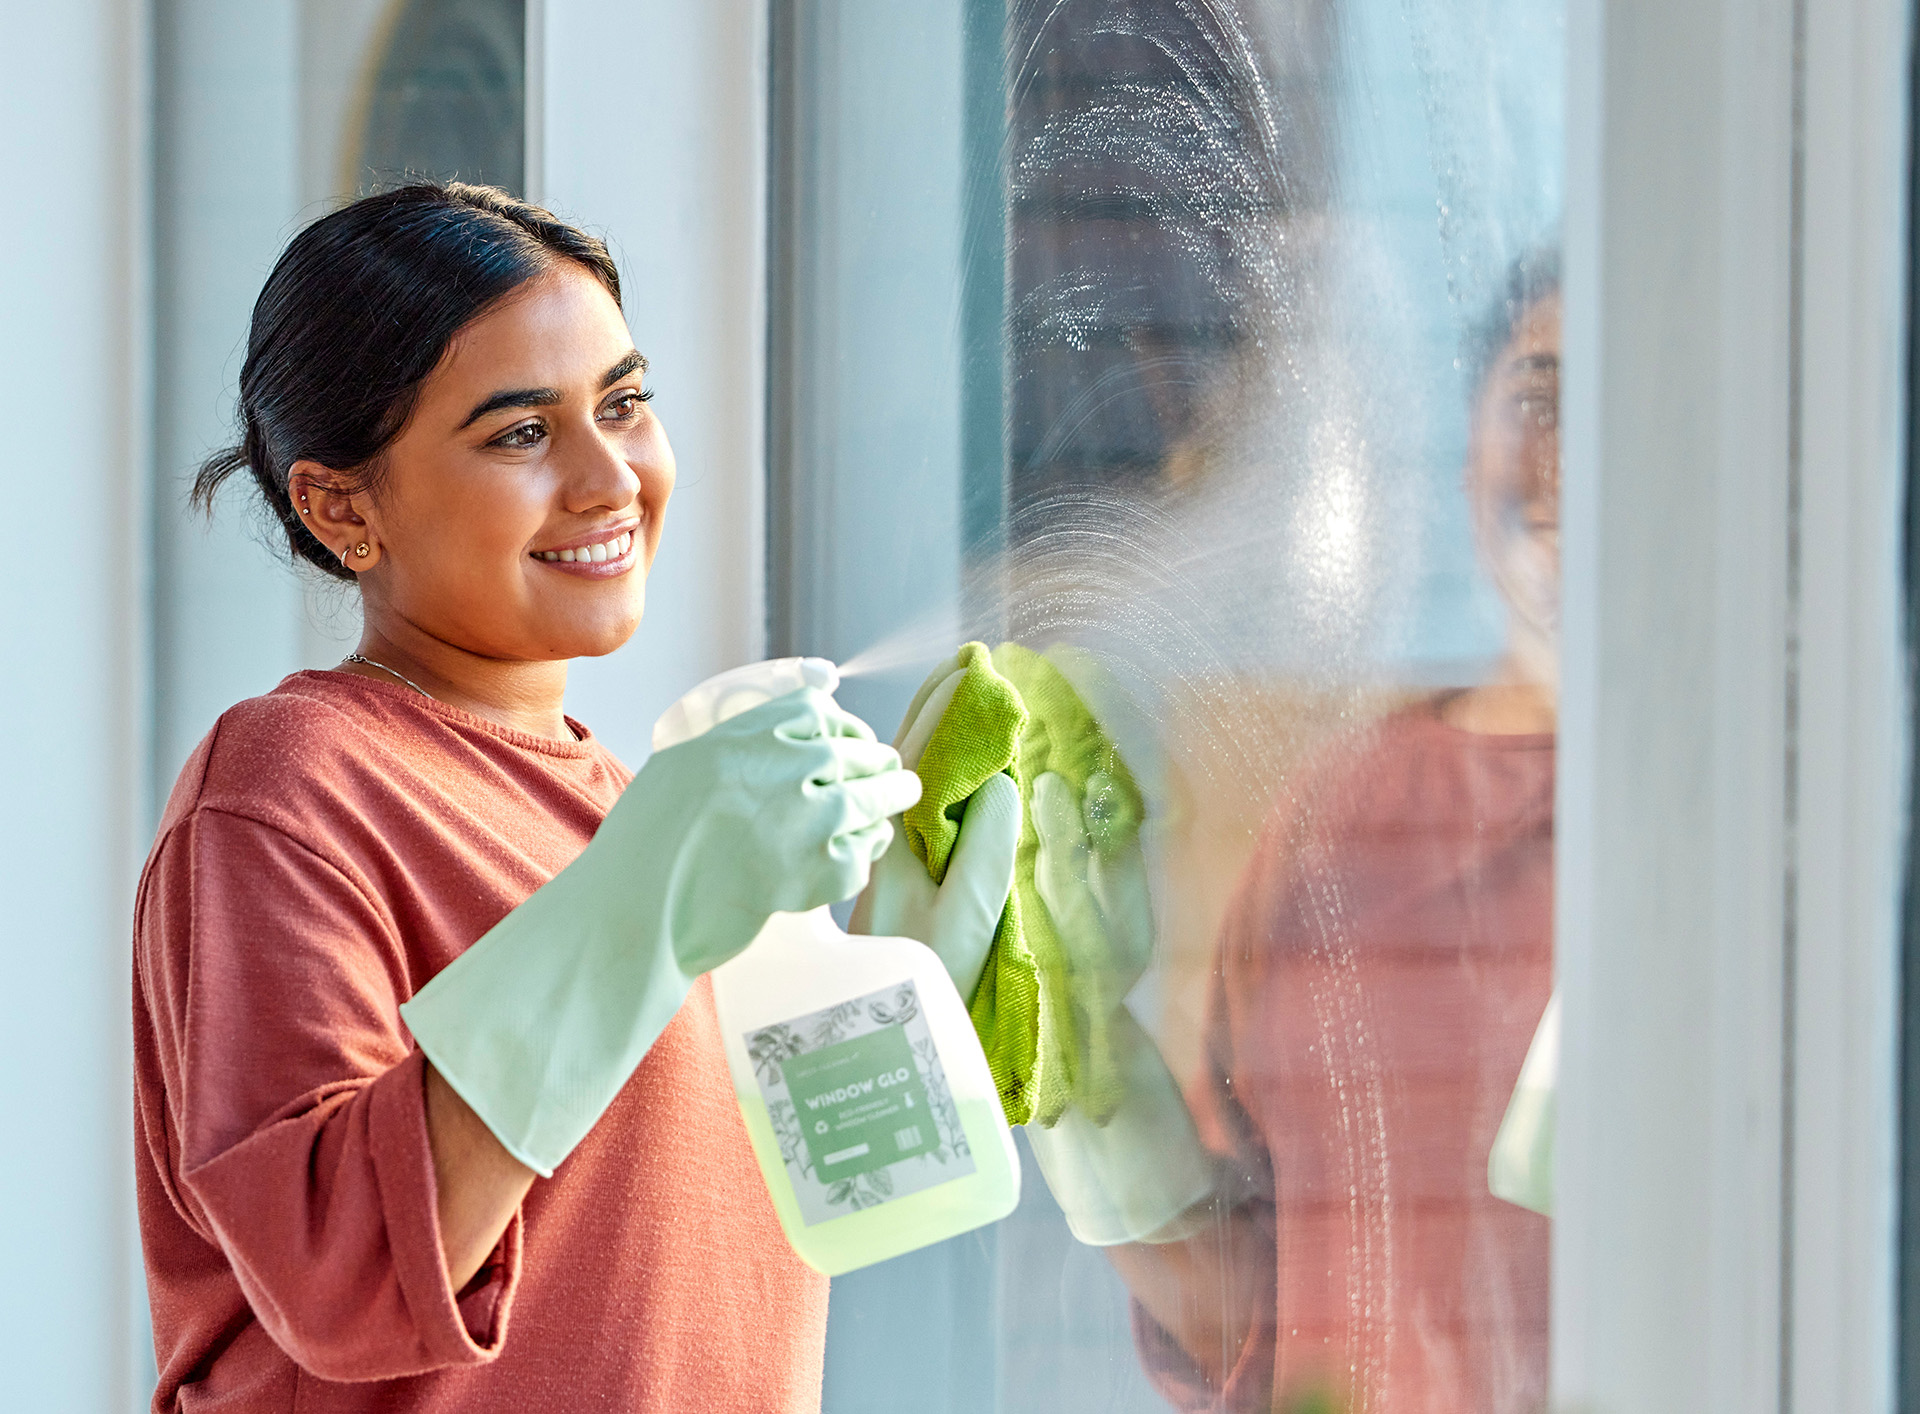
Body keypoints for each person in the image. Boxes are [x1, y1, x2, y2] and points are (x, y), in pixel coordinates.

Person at [131, 182, 1015, 1413]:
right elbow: (343, 1272)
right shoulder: (291, 782)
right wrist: (649, 893)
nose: (610, 479)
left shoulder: (643, 820)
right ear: (342, 507)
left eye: (625, 403)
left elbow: (761, 1240)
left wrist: (893, 1003)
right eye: (519, 434)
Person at [1096, 254, 1564, 1413]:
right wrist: (1080, 1090)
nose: (1565, 460)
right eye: (1536, 400)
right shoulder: (1345, 808)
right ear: (1467, 455)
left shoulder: (1747, 838)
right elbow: (1236, 1328)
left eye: (1621, 405)